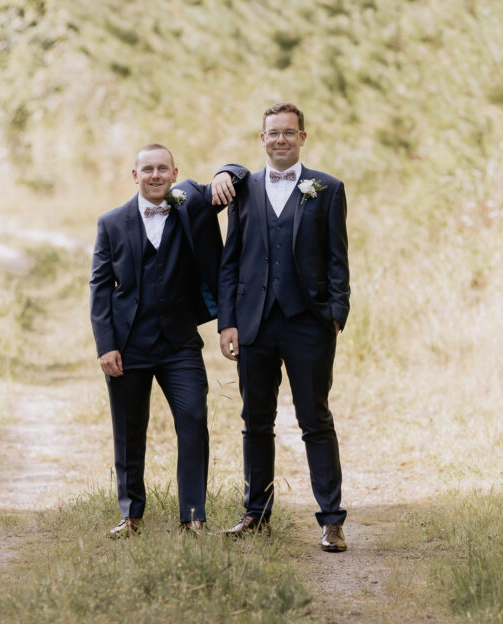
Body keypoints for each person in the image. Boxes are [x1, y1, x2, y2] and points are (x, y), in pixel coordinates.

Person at [89, 144, 245, 536]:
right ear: (134, 175)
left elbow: (240, 174)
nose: (155, 175)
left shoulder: (192, 203)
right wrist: (105, 345)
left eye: (163, 169)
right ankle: (130, 515)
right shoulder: (111, 223)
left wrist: (226, 172)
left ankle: (193, 516)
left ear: (175, 173)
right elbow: (100, 286)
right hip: (128, 346)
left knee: (194, 420)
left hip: (180, 344)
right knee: (128, 430)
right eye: (147, 169)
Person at [215, 102, 350, 552]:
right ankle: (256, 514)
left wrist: (335, 313)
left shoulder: (326, 189)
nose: (280, 140)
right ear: (262, 138)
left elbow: (337, 258)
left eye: (289, 133)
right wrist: (227, 322)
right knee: (256, 422)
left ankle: (331, 520)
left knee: (314, 420)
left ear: (302, 138)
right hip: (253, 325)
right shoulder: (244, 189)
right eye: (273, 133)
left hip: (308, 324)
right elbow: (230, 260)